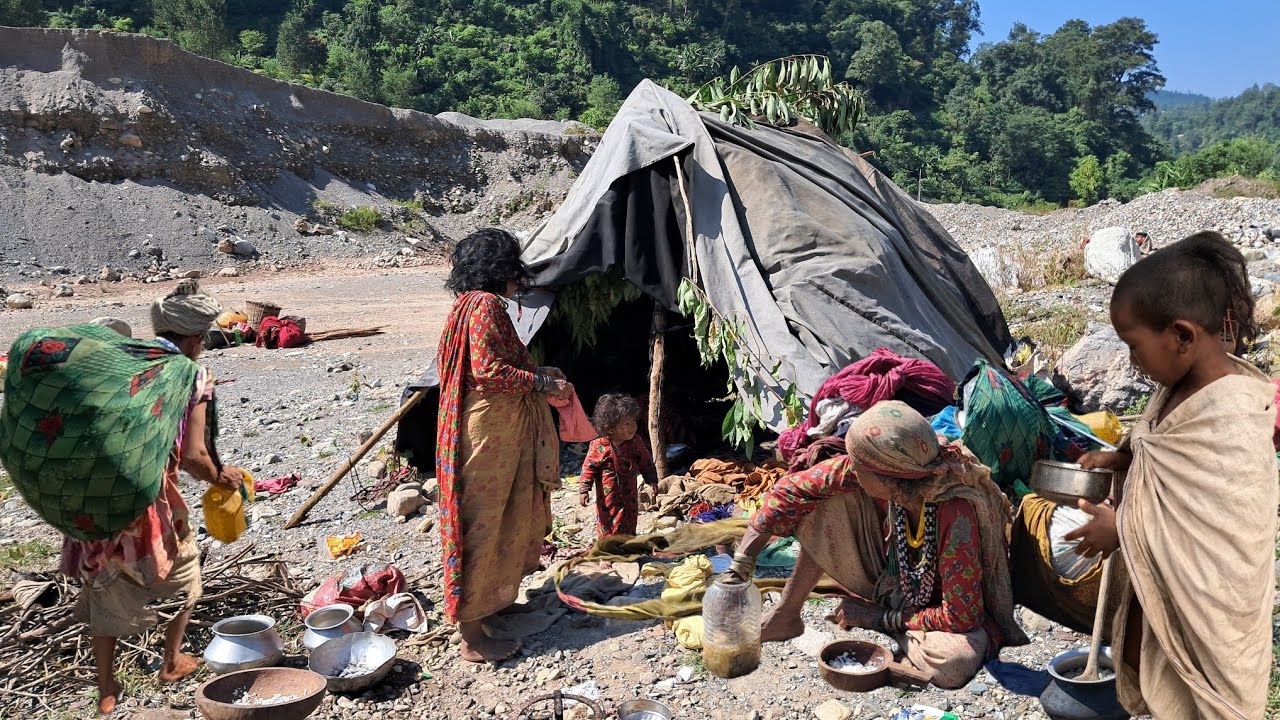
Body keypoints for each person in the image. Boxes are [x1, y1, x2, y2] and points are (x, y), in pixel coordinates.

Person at [1066, 231, 1276, 719]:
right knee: (1163, 689)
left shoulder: (1233, 418)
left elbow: (1226, 541)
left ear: (1182, 335)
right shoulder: (1177, 386)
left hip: (1210, 618)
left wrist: (1121, 529)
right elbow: (1162, 448)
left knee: (1201, 701)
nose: (1132, 361)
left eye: (1134, 346)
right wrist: (1124, 459)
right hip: (1164, 601)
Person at [730, 401, 1027, 689]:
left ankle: (894, 628)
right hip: (898, 585)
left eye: (859, 467)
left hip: (945, 610)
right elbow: (790, 492)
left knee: (953, 663)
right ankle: (787, 614)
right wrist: (740, 567)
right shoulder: (900, 475)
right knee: (820, 505)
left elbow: (962, 616)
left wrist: (878, 618)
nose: (852, 470)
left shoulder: (955, 512)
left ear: (889, 479)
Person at [60, 280, 245, 714]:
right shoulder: (191, 374)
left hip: (91, 494)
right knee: (186, 574)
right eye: (203, 338)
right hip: (143, 497)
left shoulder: (123, 359)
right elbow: (194, 456)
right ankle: (171, 660)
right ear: (195, 338)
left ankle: (106, 685)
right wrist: (222, 479)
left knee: (104, 580)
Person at [435, 228, 573, 662]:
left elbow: (489, 365)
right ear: (503, 269)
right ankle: (473, 636)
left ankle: (492, 602)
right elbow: (491, 372)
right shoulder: (487, 305)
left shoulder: (466, 305)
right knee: (485, 522)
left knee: (502, 513)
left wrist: (537, 372)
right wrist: (543, 384)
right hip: (491, 433)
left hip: (490, 428)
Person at [578, 393, 658, 536]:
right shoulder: (599, 446)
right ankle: (609, 544)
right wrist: (584, 490)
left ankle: (628, 542)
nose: (633, 426)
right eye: (627, 423)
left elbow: (646, 462)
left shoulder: (635, 442)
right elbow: (588, 468)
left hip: (630, 493)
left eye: (634, 421)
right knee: (608, 520)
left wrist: (652, 480)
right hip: (607, 496)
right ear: (610, 428)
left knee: (630, 516)